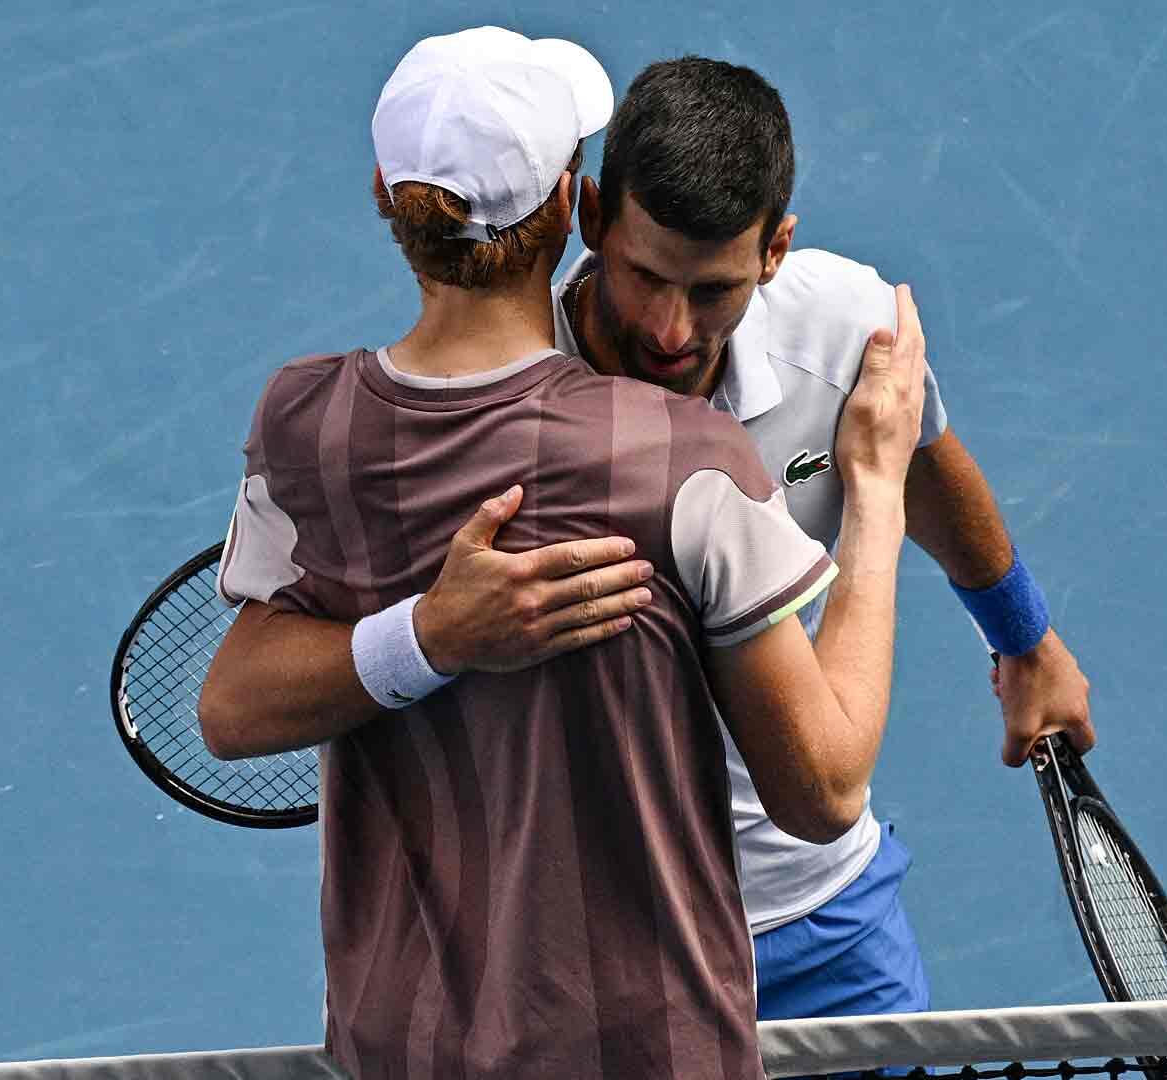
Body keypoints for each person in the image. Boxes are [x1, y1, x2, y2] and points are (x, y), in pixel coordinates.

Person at [204, 51, 1098, 1070]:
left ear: (776, 253)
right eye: (644, 278)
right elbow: (239, 703)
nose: (672, 329)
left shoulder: (846, 326)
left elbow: (929, 466)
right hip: (613, 957)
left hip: (816, 912)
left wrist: (1024, 635)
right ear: (584, 216)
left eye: (712, 290)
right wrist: (431, 633)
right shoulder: (498, 419)